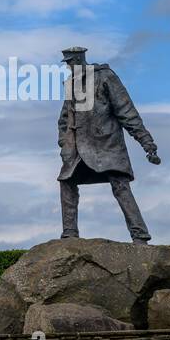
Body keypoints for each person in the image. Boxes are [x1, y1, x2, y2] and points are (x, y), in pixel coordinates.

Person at [56, 46, 161, 243]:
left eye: (70, 62)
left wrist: (146, 142)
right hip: (77, 149)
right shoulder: (71, 84)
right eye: (67, 63)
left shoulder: (105, 77)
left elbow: (126, 111)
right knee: (66, 182)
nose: (69, 66)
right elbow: (64, 118)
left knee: (120, 185)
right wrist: (65, 143)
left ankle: (140, 235)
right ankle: (69, 234)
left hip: (107, 145)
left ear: (79, 59)